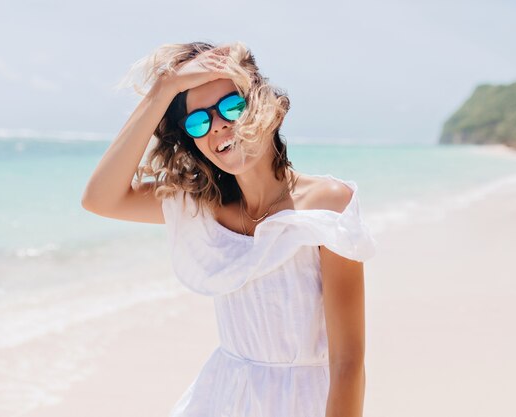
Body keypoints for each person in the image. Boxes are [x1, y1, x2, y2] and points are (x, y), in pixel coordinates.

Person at [81, 41, 377, 417]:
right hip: (221, 399)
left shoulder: (326, 205)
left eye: (232, 106)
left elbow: (348, 364)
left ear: (268, 110)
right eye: (198, 120)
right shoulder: (200, 207)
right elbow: (99, 199)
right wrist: (165, 89)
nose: (218, 124)